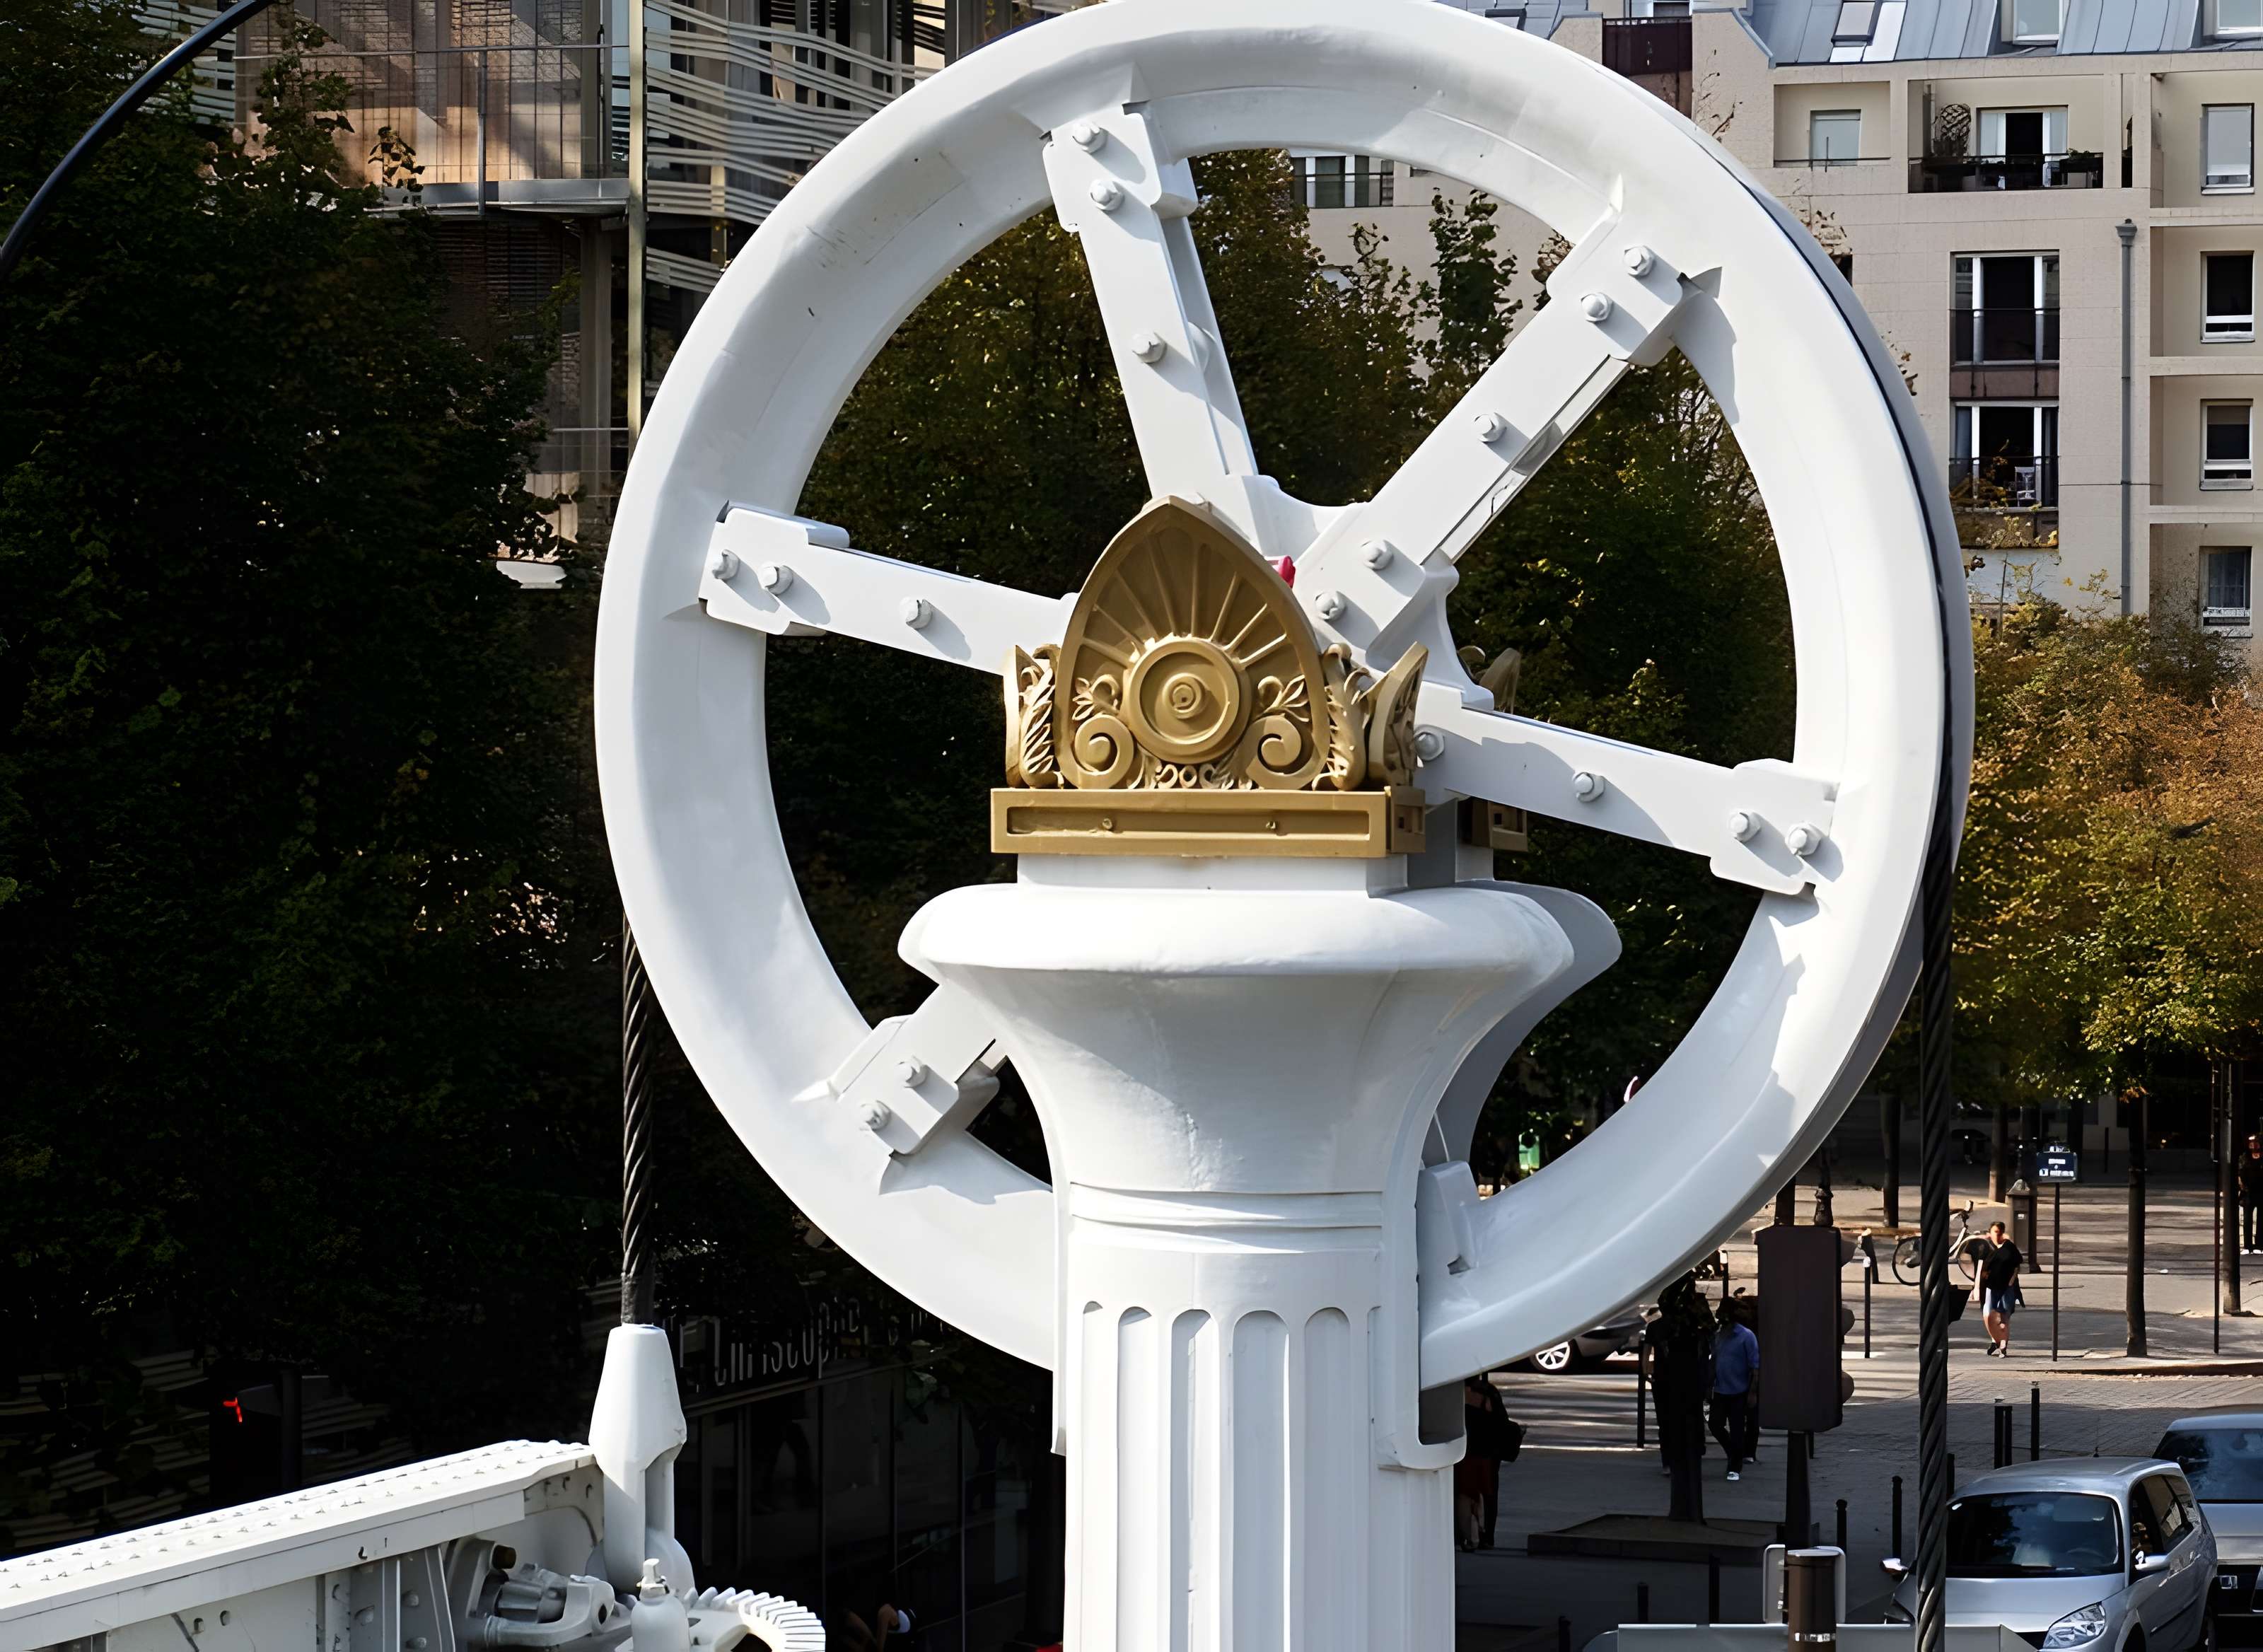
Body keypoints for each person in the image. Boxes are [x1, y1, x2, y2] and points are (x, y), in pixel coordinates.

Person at [1464, 1372, 1523, 1548]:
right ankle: (1487, 1535)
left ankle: (1466, 1534)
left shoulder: (1458, 1394)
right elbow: (1501, 1420)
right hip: (1489, 1453)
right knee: (1489, 1496)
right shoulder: (1489, 1393)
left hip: (1467, 1452)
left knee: (1464, 1493)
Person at [1708, 1301, 1760, 1482]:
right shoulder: (1719, 1335)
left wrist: (1753, 1392)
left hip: (1740, 1391)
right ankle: (1733, 1451)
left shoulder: (1746, 1336)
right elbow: (1714, 1360)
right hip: (1721, 1390)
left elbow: (1755, 1366)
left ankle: (1735, 1467)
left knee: (1738, 1429)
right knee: (1714, 1424)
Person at [1455, 1375, 1496, 1552]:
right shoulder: (1485, 1399)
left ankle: (1467, 1538)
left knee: (1464, 1496)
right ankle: (1482, 1533)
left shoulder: (1457, 1400)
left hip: (1464, 1455)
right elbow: (1494, 1423)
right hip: (1483, 1456)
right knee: (1481, 1495)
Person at [1977, 1219, 2024, 1357]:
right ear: (1990, 1233)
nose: (1998, 1235)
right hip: (1991, 1288)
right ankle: (1995, 1342)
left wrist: (2011, 1281)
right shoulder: (1987, 1248)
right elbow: (1981, 1267)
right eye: (1995, 1232)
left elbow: (2017, 1265)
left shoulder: (2009, 1247)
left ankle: (2003, 1347)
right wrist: (1977, 1287)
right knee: (1990, 1316)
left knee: (2003, 1318)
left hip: (2006, 1288)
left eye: (2000, 1232)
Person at [2240, 1135, 2263, 1254]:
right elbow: (2239, 1173)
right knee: (2247, 1220)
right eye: (2252, 1143)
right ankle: (2247, 1246)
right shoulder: (2245, 1157)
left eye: (2256, 1142)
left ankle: (2259, 1245)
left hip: (2262, 1192)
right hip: (2248, 1193)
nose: (2254, 1145)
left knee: (2261, 1220)